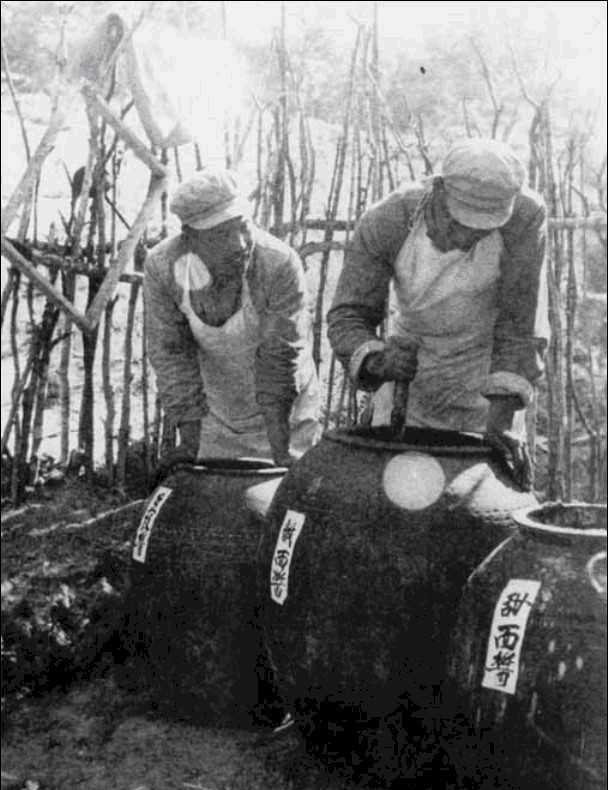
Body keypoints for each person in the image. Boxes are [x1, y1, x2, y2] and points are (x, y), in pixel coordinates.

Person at [327, 139, 549, 490]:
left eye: (483, 229)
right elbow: (349, 315)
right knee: (398, 497)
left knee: (476, 500)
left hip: (487, 380)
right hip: (413, 378)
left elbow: (522, 323)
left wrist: (502, 417)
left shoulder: (524, 217)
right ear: (439, 190)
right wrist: (378, 360)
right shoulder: (390, 220)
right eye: (460, 223)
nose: (468, 236)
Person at [144, 167, 321, 468]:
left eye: (243, 227)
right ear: (191, 238)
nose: (239, 244)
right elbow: (173, 357)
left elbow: (279, 361)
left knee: (280, 498)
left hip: (285, 413)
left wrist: (282, 455)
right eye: (221, 235)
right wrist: (191, 447)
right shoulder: (164, 267)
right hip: (216, 412)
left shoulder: (277, 263)